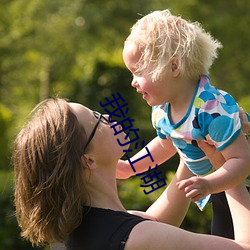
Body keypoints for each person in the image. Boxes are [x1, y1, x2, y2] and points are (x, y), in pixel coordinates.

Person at [13, 98, 250, 250]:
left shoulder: (74, 233)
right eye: (97, 120)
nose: (108, 117)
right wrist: (226, 165)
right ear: (88, 160)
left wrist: (190, 137)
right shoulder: (138, 238)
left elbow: (157, 221)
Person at [119, 9, 250, 238]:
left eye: (138, 72)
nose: (133, 83)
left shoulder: (211, 109)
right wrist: (130, 167)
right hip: (221, 188)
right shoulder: (162, 110)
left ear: (173, 67)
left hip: (239, 185)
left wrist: (209, 184)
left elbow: (242, 160)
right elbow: (165, 145)